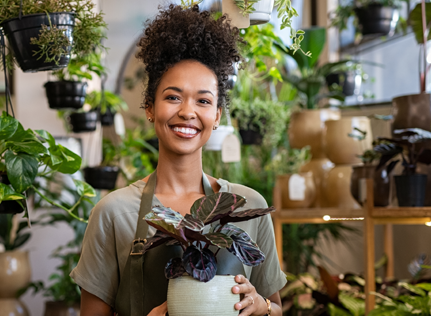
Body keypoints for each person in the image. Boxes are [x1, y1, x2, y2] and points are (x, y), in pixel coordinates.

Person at [70, 4, 287, 316]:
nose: (188, 111)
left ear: (216, 116)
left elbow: (276, 308)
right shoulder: (114, 214)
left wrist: (262, 305)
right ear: (149, 107)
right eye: (173, 97)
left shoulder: (246, 206)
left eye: (203, 100)